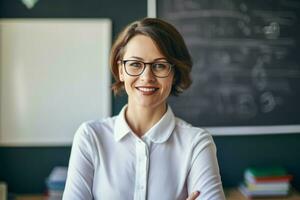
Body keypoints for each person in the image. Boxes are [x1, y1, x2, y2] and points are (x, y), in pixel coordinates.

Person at [63, 18, 226, 200]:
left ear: (174, 73)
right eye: (135, 64)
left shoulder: (196, 144)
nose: (147, 77)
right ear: (121, 70)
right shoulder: (90, 137)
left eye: (159, 65)